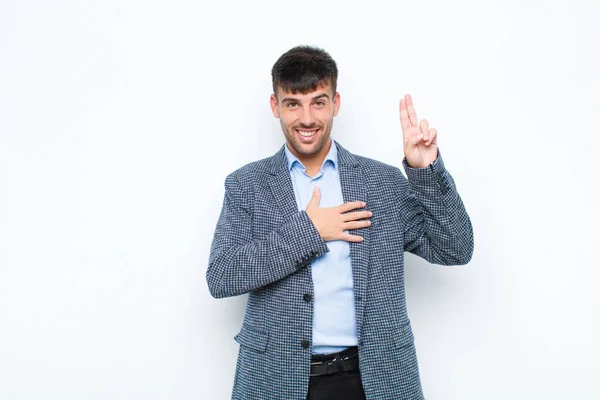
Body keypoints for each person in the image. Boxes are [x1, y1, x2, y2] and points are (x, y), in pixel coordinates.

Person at [207, 45, 474, 400]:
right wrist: (310, 232)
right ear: (276, 107)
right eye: (292, 103)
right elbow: (223, 276)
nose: (306, 118)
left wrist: (425, 171)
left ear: (335, 103)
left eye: (318, 101)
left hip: (374, 378)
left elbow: (455, 248)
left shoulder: (382, 182)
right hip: (276, 379)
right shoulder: (247, 185)